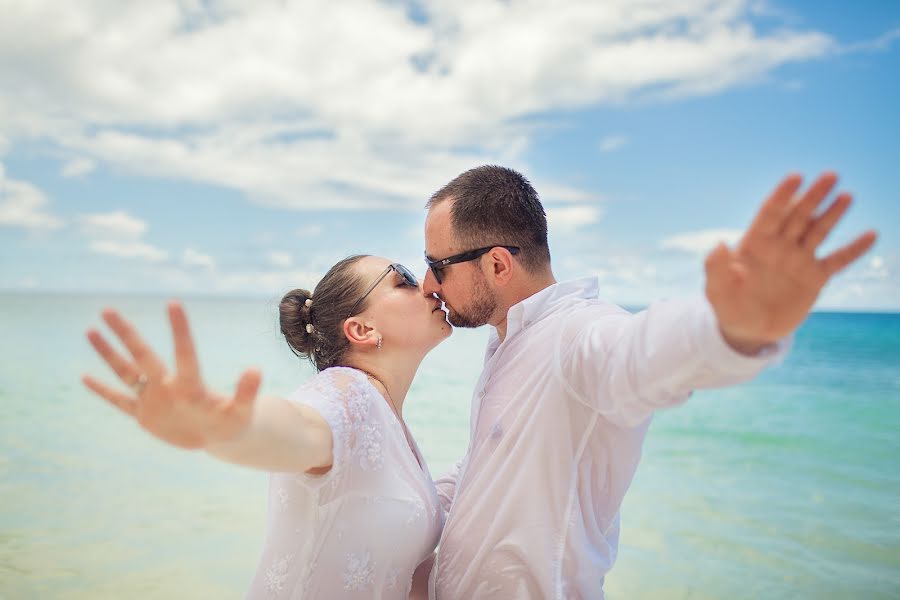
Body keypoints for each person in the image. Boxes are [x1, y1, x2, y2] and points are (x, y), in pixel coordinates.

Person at [419, 166, 877, 599]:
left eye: (438, 266)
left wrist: (730, 329)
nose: (427, 285)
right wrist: (410, 507)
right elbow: (488, 462)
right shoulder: (509, 343)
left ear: (499, 265)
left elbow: (639, 353)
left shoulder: (576, 336)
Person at [81, 255, 453, 599]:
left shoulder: (393, 424)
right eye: (402, 279)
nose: (426, 284)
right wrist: (222, 429)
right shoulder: (346, 392)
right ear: (361, 329)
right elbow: (298, 426)